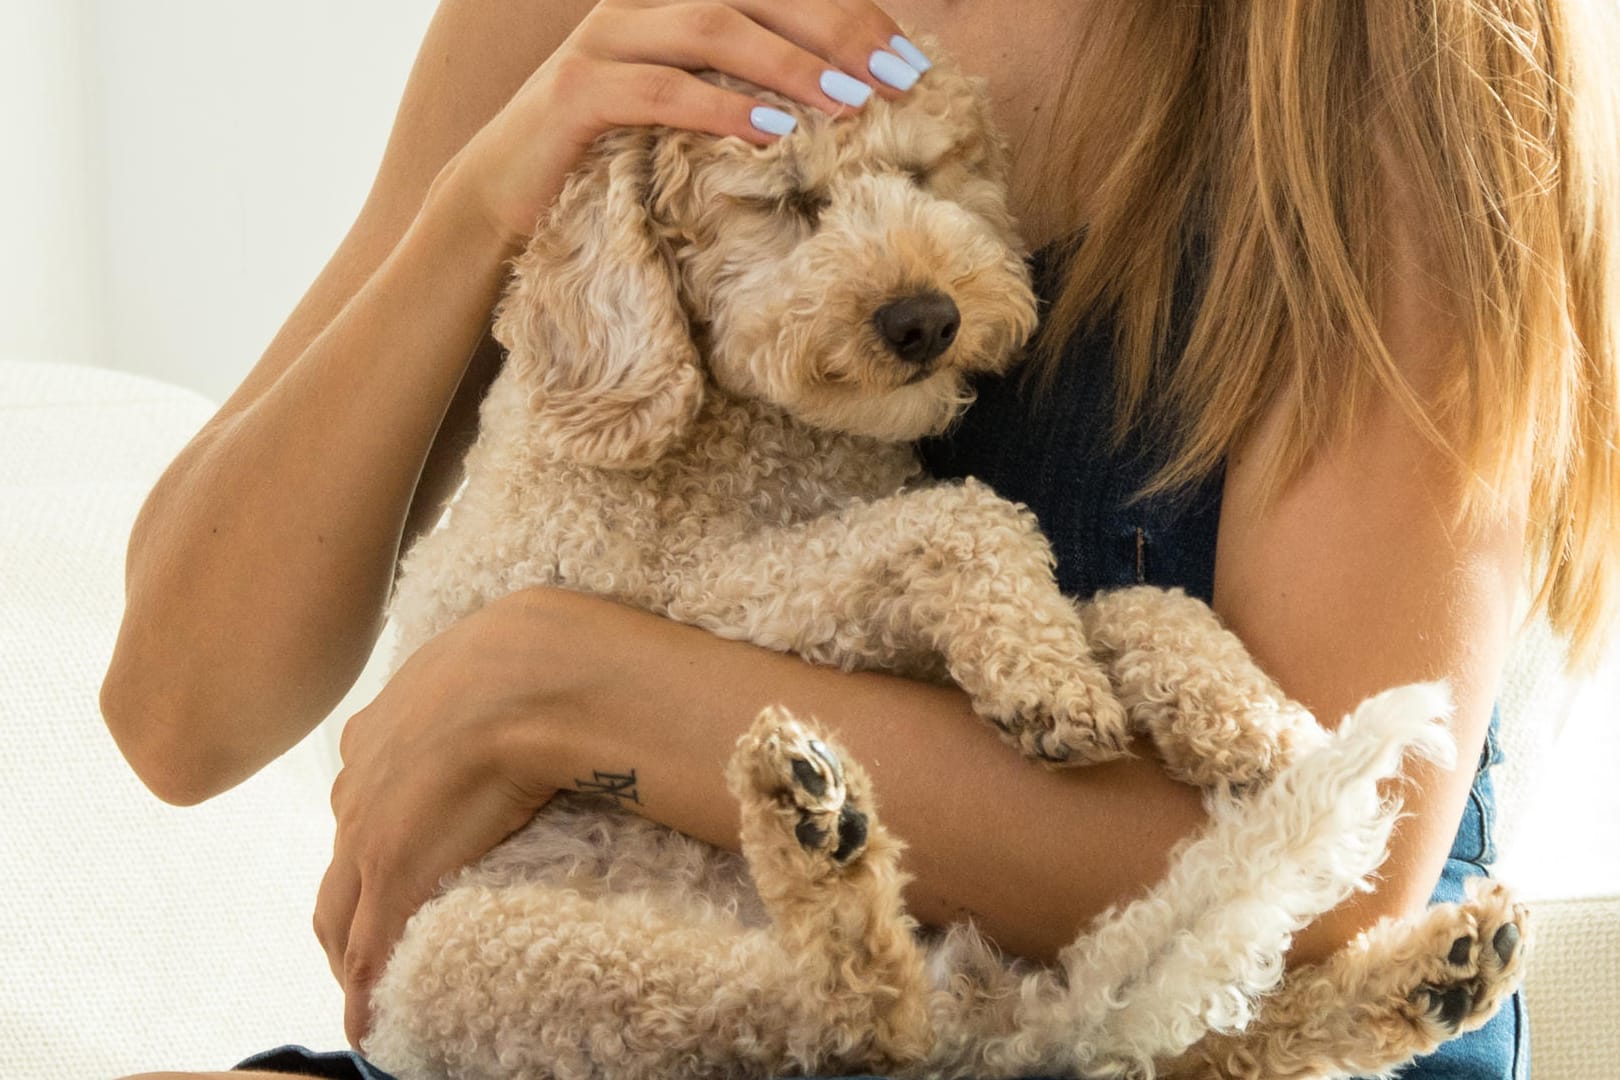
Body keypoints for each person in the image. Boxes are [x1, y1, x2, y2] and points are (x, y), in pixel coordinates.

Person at [104, 1, 1617, 1078]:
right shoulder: (599, 19)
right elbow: (183, 712)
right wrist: (486, 196)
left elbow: (1336, 871)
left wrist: (556, 692)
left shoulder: (1387, 57)